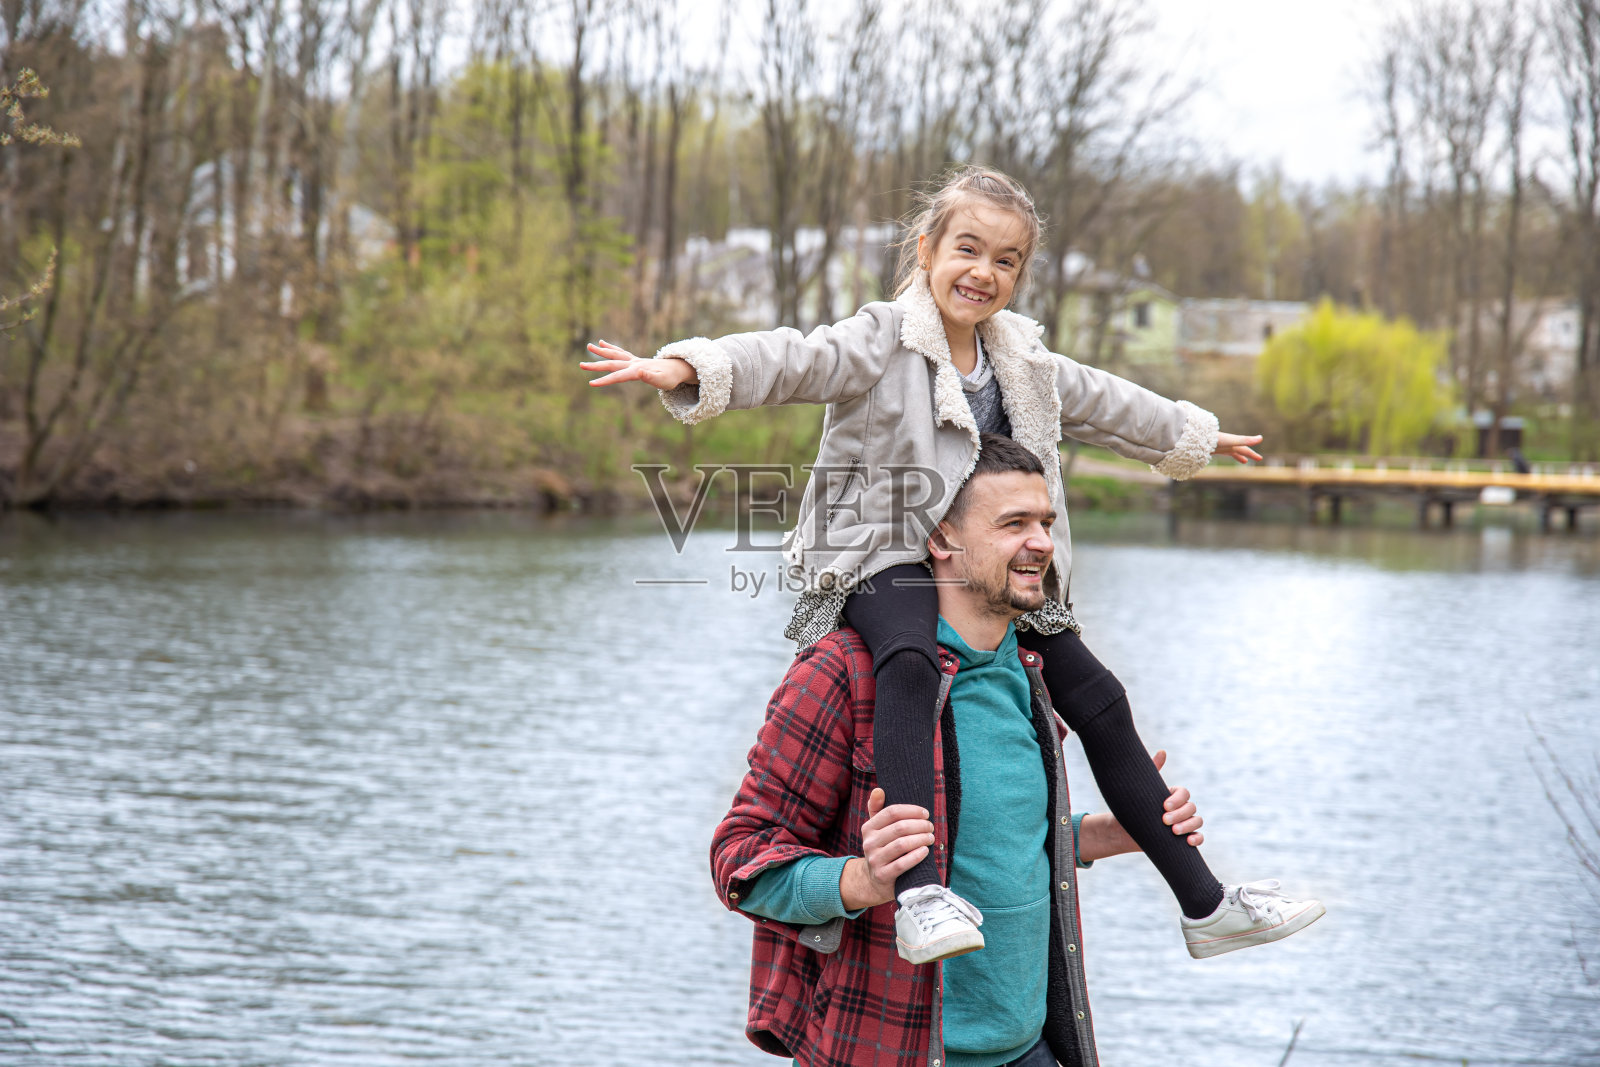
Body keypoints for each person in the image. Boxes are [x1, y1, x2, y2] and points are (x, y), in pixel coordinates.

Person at [583, 165, 1320, 962]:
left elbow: (1107, 401)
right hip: (882, 554)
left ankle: (1207, 905)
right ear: (927, 248)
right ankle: (920, 893)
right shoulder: (882, 338)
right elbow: (791, 357)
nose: (984, 272)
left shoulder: (1020, 357)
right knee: (907, 660)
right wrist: (692, 367)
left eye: (1006, 260)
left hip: (985, 565)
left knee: (1099, 696)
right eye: (968, 249)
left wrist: (1195, 434)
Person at [710, 437, 1319, 1067]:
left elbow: (983, 836)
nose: (1042, 544)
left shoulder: (1032, 672)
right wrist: (861, 880)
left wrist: (1093, 836)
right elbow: (738, 858)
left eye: (1046, 522)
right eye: (1013, 525)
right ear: (941, 538)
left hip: (1031, 1048)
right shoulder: (842, 675)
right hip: (893, 1050)